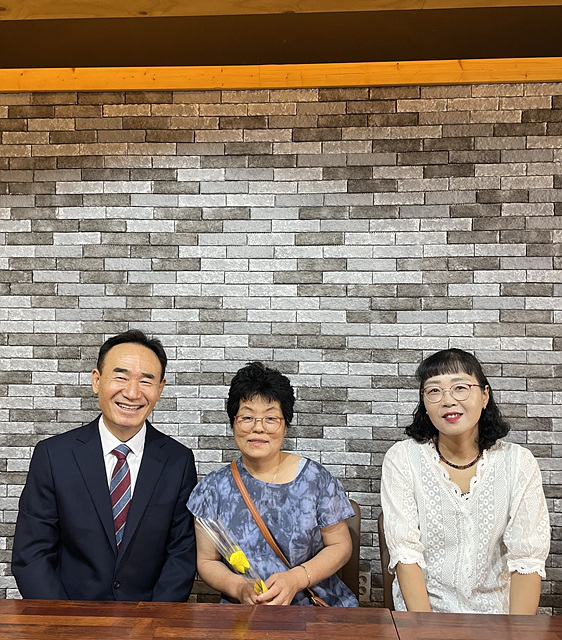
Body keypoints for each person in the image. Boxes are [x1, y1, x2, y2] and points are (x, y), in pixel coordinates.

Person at [12, 329, 197, 601]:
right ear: (96, 380)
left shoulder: (178, 461)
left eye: (146, 381)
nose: (132, 392)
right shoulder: (53, 456)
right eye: (121, 377)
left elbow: (181, 554)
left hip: (148, 618)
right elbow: (32, 555)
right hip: (69, 616)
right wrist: (64, 620)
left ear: (160, 388)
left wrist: (152, 619)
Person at [381, 348, 550, 614]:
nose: (448, 400)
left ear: (484, 396)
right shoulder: (402, 458)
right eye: (434, 390)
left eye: (460, 388)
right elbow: (405, 553)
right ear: (424, 402)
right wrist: (425, 630)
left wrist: (518, 631)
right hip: (423, 616)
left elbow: (527, 559)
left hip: (497, 618)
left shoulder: (518, 462)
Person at [187, 361, 358, 606]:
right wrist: (239, 587)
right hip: (246, 612)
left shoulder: (316, 480)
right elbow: (207, 561)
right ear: (233, 423)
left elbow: (340, 546)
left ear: (285, 425)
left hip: (312, 609)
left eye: (270, 418)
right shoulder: (212, 489)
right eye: (247, 417)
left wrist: (297, 578)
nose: (258, 427)